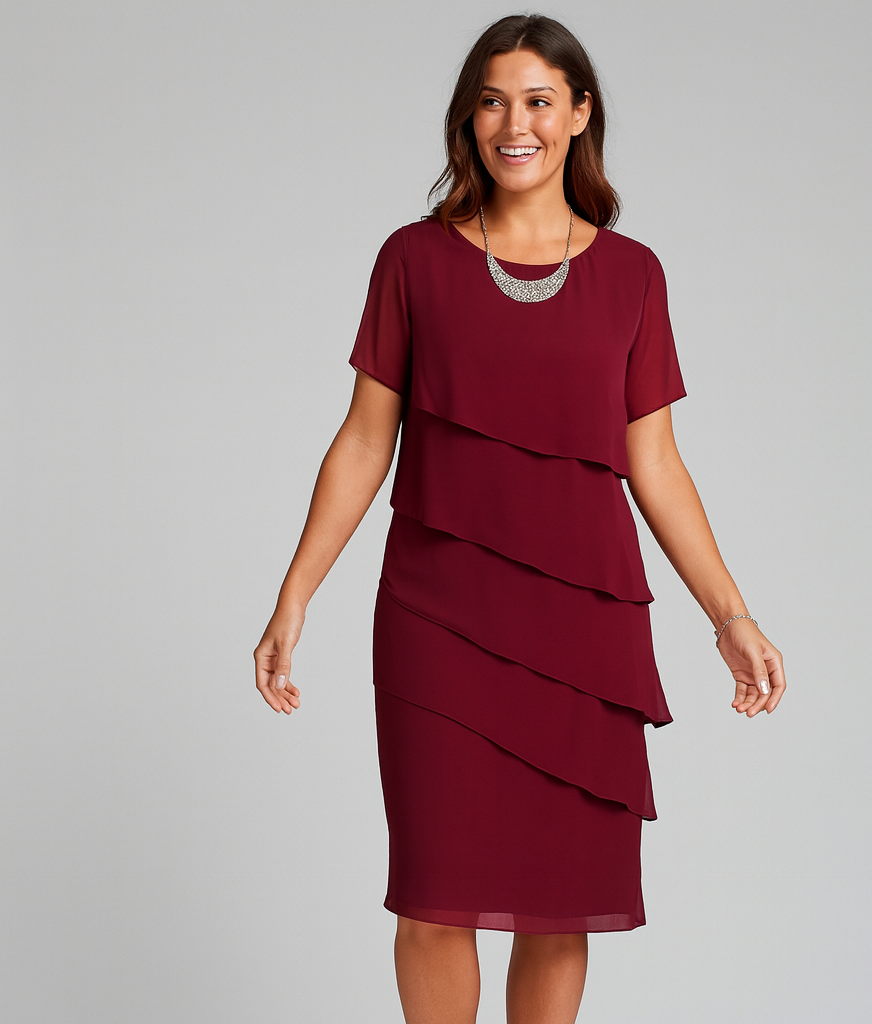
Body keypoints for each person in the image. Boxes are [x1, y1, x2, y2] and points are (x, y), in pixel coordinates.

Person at [253, 12, 786, 1024]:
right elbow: (364, 440)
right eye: (492, 102)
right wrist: (294, 598)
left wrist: (730, 614)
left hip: (583, 630)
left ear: (579, 114)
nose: (515, 124)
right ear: (469, 118)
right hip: (437, 620)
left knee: (558, 911)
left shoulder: (633, 275)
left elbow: (656, 464)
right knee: (431, 902)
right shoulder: (413, 260)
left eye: (538, 101)